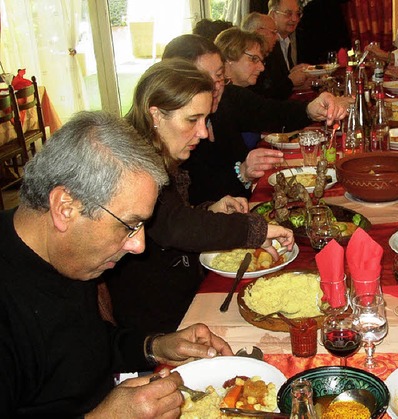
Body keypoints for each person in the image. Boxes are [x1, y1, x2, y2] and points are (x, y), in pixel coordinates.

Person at [0, 111, 234, 417]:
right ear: (65, 207)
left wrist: (155, 346)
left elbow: (87, 350)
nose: (138, 246)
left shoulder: (70, 255)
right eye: (128, 225)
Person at [104, 59, 295, 334]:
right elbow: (174, 227)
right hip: (155, 320)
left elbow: (170, 215)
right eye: (192, 120)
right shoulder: (133, 167)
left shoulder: (153, 150)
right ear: (155, 115)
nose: (203, 132)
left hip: (178, 293)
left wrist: (210, 210)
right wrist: (255, 230)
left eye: (205, 120)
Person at [162, 34, 348, 205]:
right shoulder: (168, 135)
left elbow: (272, 113)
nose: (215, 87)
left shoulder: (228, 98)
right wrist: (242, 173)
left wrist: (310, 109)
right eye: (202, 79)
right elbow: (191, 207)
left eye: (219, 76)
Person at [250, 0, 310, 100]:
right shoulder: (263, 46)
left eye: (298, 14)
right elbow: (264, 91)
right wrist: (290, 81)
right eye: (288, 14)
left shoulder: (288, 40)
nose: (295, 19)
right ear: (273, 15)